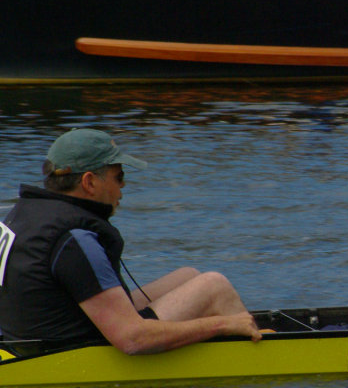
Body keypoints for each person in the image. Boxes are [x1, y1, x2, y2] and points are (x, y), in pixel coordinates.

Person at [0, 128, 261, 354]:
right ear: (89, 181)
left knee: (189, 276)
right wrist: (223, 325)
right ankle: (263, 352)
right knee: (215, 286)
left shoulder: (23, 215)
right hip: (71, 351)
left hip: (32, 339)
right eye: (119, 176)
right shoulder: (74, 239)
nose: (123, 186)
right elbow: (132, 339)